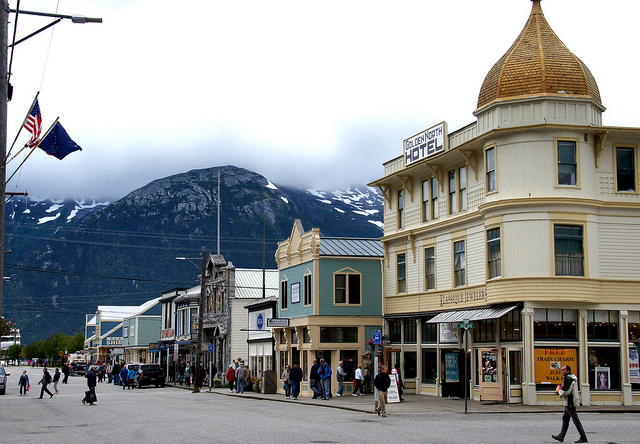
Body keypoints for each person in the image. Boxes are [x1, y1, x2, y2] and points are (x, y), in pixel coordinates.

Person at [552, 365, 588, 443]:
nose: (562, 371)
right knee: (565, 418)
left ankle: (583, 437)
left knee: (576, 420)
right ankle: (561, 436)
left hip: (570, 402)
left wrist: (559, 392)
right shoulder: (571, 378)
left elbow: (567, 391)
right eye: (562, 370)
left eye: (563, 370)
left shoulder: (568, 379)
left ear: (568, 371)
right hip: (569, 402)